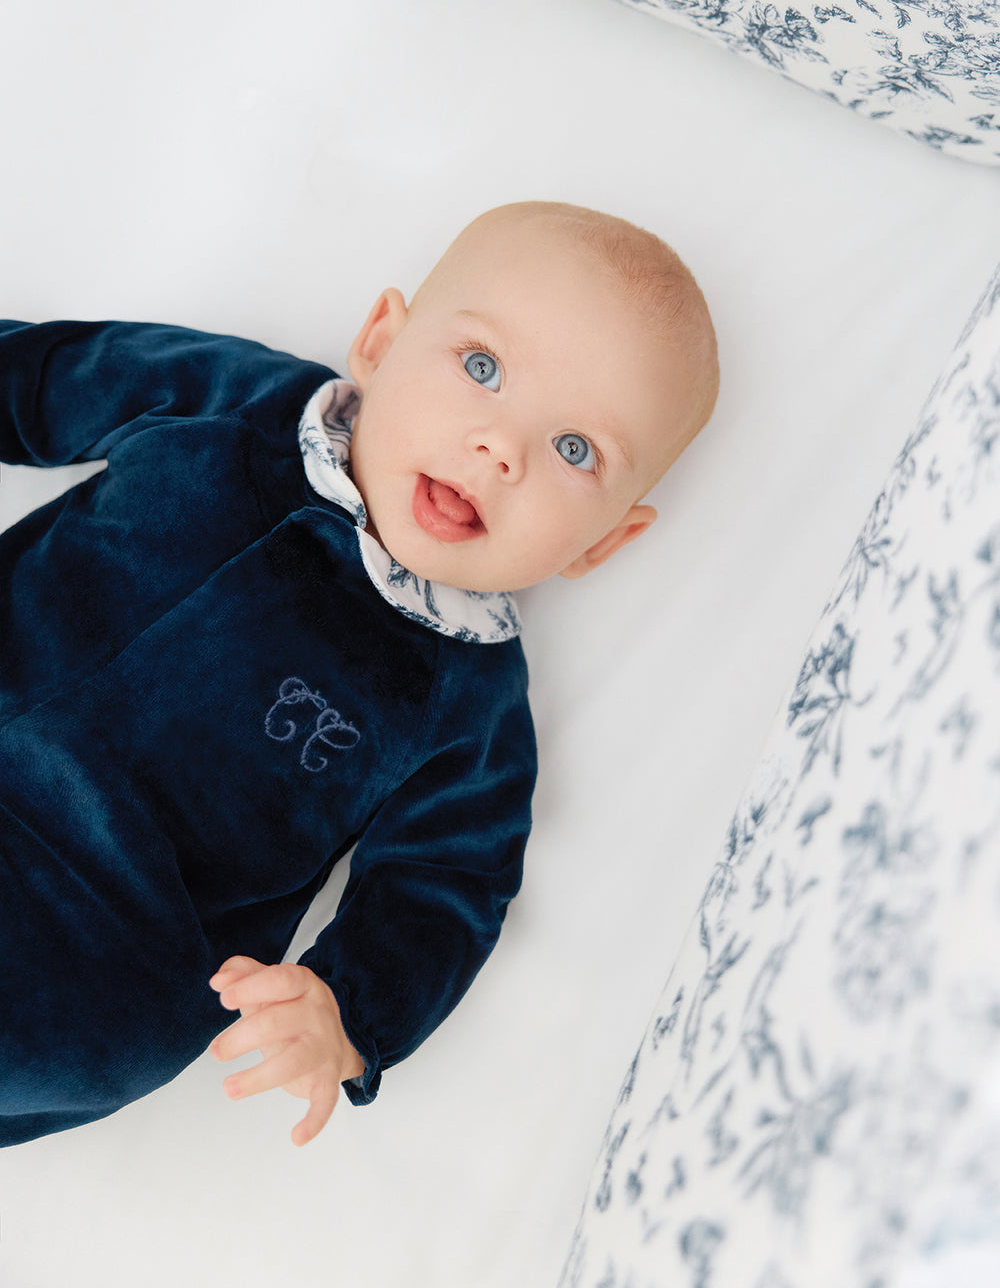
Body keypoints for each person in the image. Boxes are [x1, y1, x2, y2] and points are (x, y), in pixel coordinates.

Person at [0, 200, 718, 1148]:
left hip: (100, 944)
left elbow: (446, 882)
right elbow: (53, 376)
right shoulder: (232, 401)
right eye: (482, 367)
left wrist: (348, 1008)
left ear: (601, 543)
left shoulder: (467, 704)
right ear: (381, 342)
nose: (500, 448)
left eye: (574, 450)